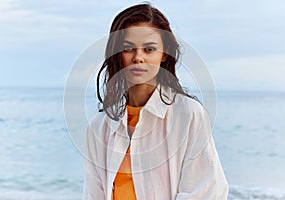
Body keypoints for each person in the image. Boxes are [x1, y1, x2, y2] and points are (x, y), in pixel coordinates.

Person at [83, 3, 228, 200]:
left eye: (149, 49)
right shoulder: (99, 127)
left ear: (164, 53)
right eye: (128, 48)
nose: (138, 58)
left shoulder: (188, 114)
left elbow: (207, 191)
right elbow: (93, 195)